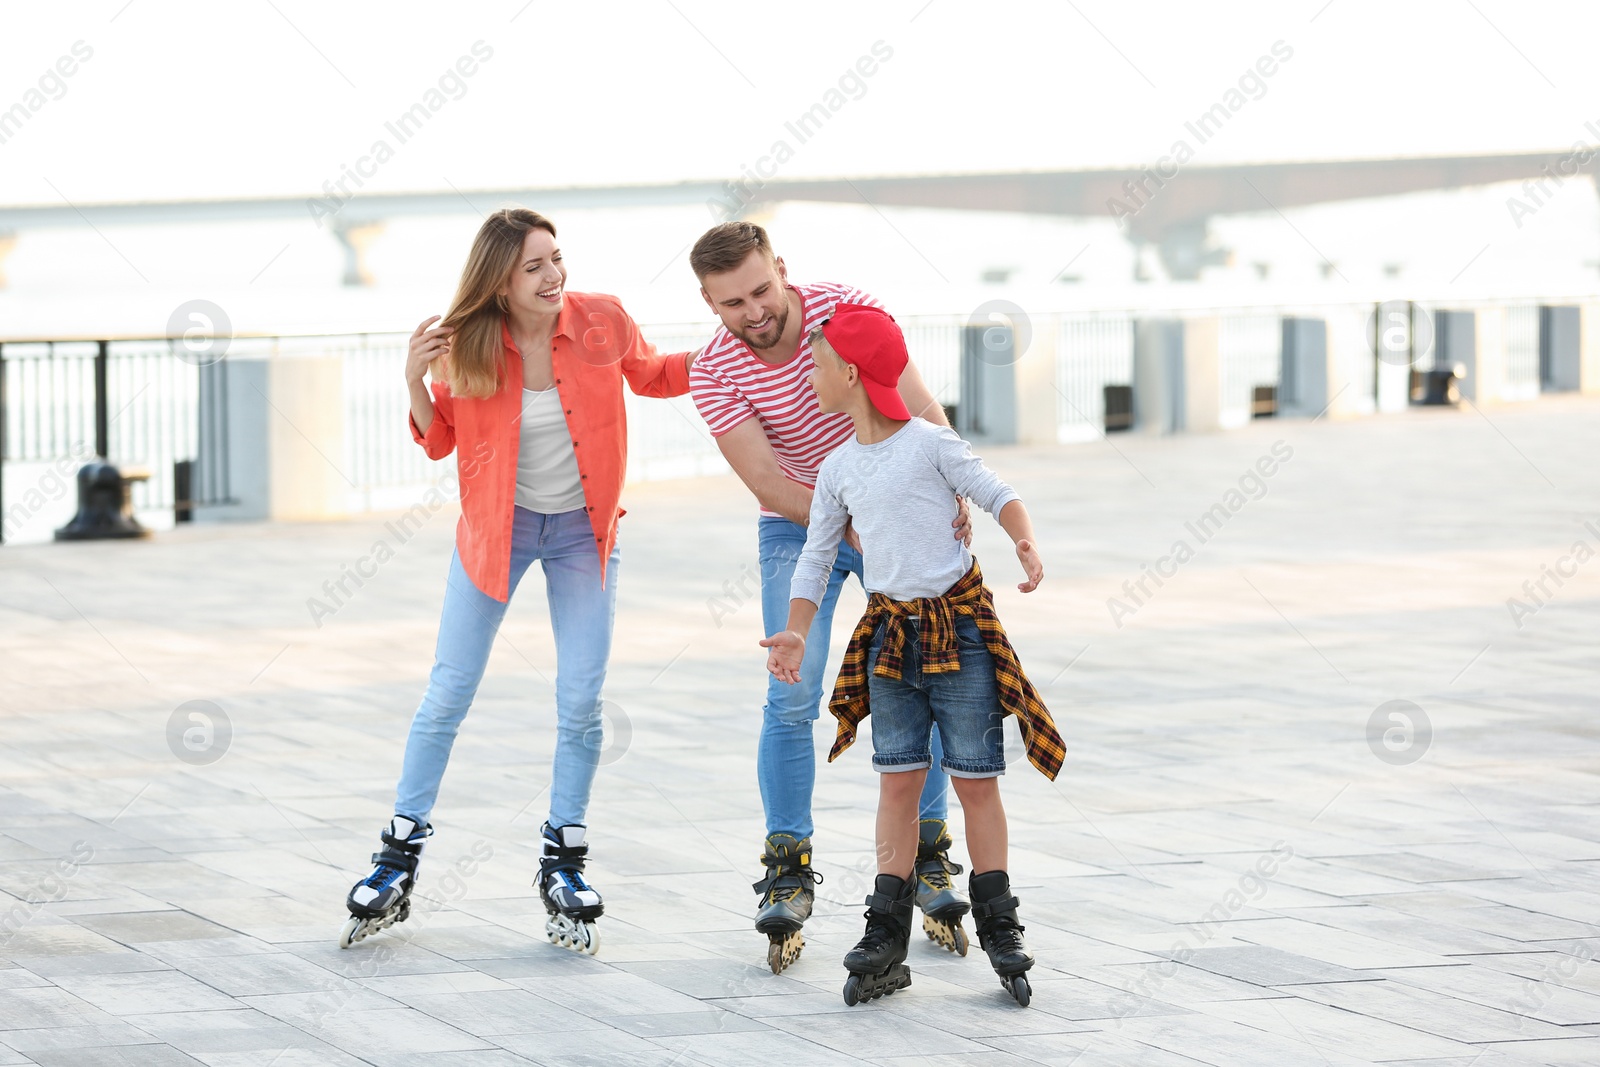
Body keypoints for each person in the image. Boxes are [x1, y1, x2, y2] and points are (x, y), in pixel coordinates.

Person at [341, 208, 695, 956]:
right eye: (534, 265)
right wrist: (413, 377)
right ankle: (397, 852)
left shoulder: (602, 320)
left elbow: (658, 375)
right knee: (447, 693)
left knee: (580, 698)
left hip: (581, 536)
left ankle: (564, 855)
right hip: (494, 537)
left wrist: (741, 346)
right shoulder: (465, 344)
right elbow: (438, 440)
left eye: (556, 259)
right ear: (499, 279)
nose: (553, 275)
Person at [687, 221, 973, 972]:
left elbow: (917, 406)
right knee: (791, 692)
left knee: (927, 679)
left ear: (781, 269)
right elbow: (767, 482)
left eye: (760, 289)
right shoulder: (714, 370)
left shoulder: (843, 310)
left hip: (893, 516)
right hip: (796, 526)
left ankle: (932, 849)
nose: (754, 312)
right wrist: (851, 517)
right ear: (710, 304)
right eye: (731, 303)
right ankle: (787, 861)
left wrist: (941, 489)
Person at [761, 302, 1064, 1007]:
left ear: (852, 372)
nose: (809, 375)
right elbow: (814, 558)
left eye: (817, 363)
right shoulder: (837, 468)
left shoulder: (930, 442)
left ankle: (1000, 921)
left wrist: (1022, 537)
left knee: (975, 781)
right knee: (897, 781)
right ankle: (885, 933)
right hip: (891, 638)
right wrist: (798, 629)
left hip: (959, 635)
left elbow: (998, 491)